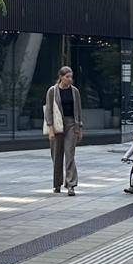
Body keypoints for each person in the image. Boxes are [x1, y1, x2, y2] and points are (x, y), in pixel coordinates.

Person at [44, 65, 85, 194]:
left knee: (70, 154)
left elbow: (78, 110)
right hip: (57, 125)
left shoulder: (75, 91)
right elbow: (48, 111)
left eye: (71, 77)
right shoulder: (52, 91)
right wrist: (50, 129)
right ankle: (57, 184)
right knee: (57, 155)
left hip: (71, 124)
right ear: (61, 77)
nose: (70, 79)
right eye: (67, 77)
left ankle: (71, 185)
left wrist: (79, 128)